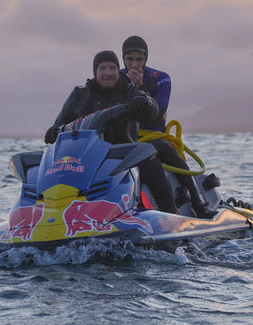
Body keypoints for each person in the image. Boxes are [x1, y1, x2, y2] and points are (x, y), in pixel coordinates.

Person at [44, 50, 179, 215]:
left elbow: (152, 109)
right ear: (95, 71)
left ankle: (171, 215)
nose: (108, 73)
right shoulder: (79, 95)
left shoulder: (130, 91)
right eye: (103, 68)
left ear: (118, 70)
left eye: (112, 68)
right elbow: (58, 125)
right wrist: (52, 132)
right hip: (86, 160)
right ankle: (50, 213)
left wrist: (145, 102)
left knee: (150, 161)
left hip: (125, 156)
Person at [121, 36, 209, 217]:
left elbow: (158, 112)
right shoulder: (116, 78)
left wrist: (140, 87)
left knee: (164, 147)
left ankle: (197, 201)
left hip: (153, 135)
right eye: (130, 59)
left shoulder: (161, 78)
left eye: (139, 59)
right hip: (124, 137)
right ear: (123, 59)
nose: (134, 64)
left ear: (146, 59)